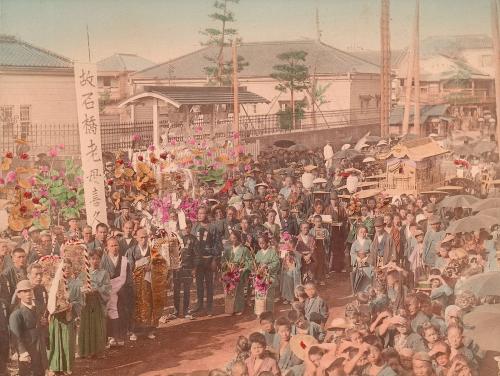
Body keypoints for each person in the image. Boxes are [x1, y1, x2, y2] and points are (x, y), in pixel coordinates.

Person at [47, 259, 82, 374]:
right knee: (56, 341)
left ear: (72, 268)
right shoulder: (55, 282)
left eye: (69, 267)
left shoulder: (76, 283)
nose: (66, 270)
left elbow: (80, 301)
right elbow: (51, 299)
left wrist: (73, 305)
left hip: (68, 316)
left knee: (67, 341)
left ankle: (67, 367)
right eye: (64, 268)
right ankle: (55, 366)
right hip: (57, 317)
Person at [9, 280, 48, 376]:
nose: (28, 294)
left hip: (40, 349)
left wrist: (44, 323)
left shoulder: (38, 307)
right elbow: (16, 337)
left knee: (40, 372)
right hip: (28, 351)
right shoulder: (16, 313)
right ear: (18, 295)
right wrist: (23, 352)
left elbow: (40, 324)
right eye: (24, 291)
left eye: (30, 290)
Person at [78, 248, 111, 358]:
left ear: (100, 260)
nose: (94, 261)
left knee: (97, 325)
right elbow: (78, 286)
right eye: (92, 259)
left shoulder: (104, 273)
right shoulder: (83, 273)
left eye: (97, 259)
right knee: (86, 325)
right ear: (88, 260)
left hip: (97, 302)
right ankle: (86, 351)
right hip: (86, 303)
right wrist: (83, 290)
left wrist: (97, 289)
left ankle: (98, 351)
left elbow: (107, 287)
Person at [101, 237, 133, 347]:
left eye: (116, 245)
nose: (114, 248)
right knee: (107, 313)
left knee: (121, 312)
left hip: (121, 291)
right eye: (112, 246)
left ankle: (119, 336)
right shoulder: (103, 260)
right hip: (107, 290)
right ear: (107, 248)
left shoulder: (124, 260)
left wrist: (124, 289)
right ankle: (109, 337)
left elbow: (128, 277)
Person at [191, 207, 217, 317]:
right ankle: (199, 304)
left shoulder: (212, 227)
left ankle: (209, 306)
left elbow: (216, 244)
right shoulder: (195, 226)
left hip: (209, 259)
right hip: (198, 260)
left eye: (203, 213)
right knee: (199, 284)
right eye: (199, 213)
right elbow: (191, 243)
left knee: (209, 284)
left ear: (207, 215)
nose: (200, 215)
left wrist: (214, 260)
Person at [171, 220, 197, 320]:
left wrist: (194, 268)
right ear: (180, 228)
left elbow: (196, 255)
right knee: (176, 290)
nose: (187, 229)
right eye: (185, 227)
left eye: (189, 227)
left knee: (186, 290)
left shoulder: (193, 239)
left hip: (188, 268)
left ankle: (186, 311)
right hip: (177, 268)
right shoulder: (174, 239)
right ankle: (176, 311)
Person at [223, 230, 253, 315]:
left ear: (238, 239)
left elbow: (250, 262)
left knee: (239, 291)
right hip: (229, 272)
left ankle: (239, 309)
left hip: (239, 272)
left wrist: (242, 269)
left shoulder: (244, 249)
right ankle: (230, 309)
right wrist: (227, 267)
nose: (232, 240)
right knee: (229, 290)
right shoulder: (228, 250)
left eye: (234, 238)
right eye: (231, 238)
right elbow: (223, 261)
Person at [255, 234, 281, 312]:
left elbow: (277, 263)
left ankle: (269, 312)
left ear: (267, 242)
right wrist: (257, 269)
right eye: (260, 243)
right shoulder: (258, 253)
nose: (261, 245)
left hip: (269, 275)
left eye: (263, 243)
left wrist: (267, 267)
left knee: (269, 294)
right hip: (260, 276)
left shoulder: (272, 252)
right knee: (260, 293)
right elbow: (255, 263)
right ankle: (260, 311)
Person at [280, 236, 302, 304]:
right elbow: (282, 261)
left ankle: (292, 298)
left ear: (295, 244)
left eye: (291, 243)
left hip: (294, 271)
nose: (289, 245)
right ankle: (287, 297)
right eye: (288, 243)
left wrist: (294, 255)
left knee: (293, 283)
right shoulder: (285, 251)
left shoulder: (297, 253)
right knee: (286, 283)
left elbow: (298, 264)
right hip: (286, 270)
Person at [309, 215, 329, 285]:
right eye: (317, 222)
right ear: (314, 222)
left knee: (321, 263)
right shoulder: (311, 230)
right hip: (314, 249)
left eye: (320, 221)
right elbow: (309, 240)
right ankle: (314, 278)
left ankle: (320, 279)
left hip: (322, 248)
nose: (318, 223)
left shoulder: (325, 230)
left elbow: (328, 240)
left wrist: (325, 238)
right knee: (315, 263)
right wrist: (313, 239)